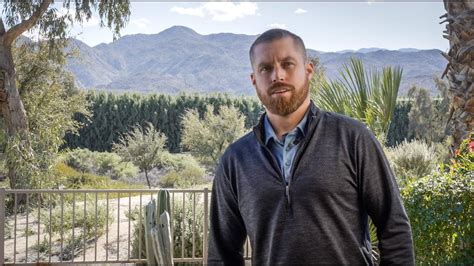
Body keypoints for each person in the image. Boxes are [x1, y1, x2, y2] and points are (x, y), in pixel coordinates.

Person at [207, 29, 414, 265]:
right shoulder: (236, 160)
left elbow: (394, 226)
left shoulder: (353, 139)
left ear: (308, 70)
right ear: (254, 79)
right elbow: (221, 254)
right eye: (265, 68)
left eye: (287, 64)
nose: (277, 75)